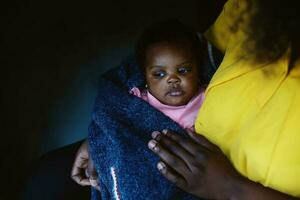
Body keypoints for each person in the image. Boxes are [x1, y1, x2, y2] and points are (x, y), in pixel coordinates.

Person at [147, 0, 300, 199]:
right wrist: (101, 138)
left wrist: (230, 188)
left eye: (183, 71)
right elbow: (173, 56)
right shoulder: (257, 9)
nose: (173, 79)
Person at [85, 19, 217, 200]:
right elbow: (114, 125)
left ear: (198, 71)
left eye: (184, 70)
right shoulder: (137, 100)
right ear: (145, 77)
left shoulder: (208, 98)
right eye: (159, 74)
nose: (173, 79)